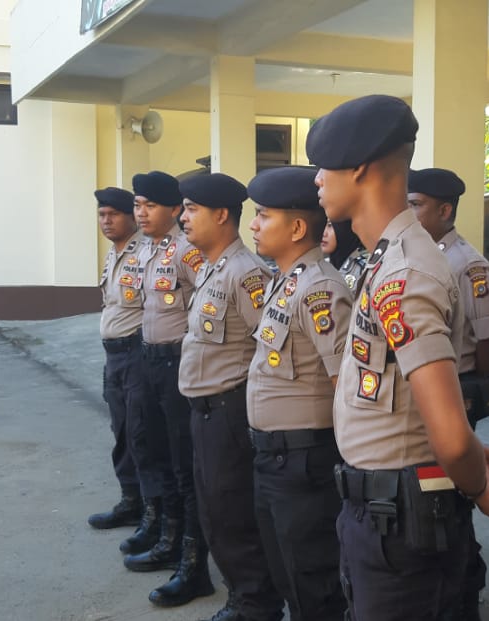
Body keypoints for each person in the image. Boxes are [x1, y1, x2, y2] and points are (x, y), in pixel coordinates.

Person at [308, 94, 489, 621]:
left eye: (324, 165)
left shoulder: (405, 272)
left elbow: (449, 434)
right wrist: (468, 453)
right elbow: (414, 404)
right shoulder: (385, 258)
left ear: (359, 167)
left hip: (400, 519)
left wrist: (476, 484)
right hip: (380, 508)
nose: (317, 180)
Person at [246, 166, 353, 621]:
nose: (253, 224)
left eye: (263, 215)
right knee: (287, 573)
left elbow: (344, 385)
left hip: (304, 461)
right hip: (274, 457)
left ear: (295, 228)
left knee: (314, 580)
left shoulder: (319, 289)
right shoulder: (286, 279)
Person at [176, 173, 281, 621]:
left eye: (192, 209)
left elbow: (268, 348)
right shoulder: (209, 267)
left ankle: (256, 605)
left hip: (229, 412)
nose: (183, 218)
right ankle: (241, 596)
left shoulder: (246, 273)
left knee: (234, 513)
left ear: (221, 215)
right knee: (214, 512)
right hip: (204, 411)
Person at [407, 167, 489, 620]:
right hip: (427, 390)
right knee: (431, 491)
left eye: (416, 205)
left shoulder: (467, 264)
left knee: (451, 492)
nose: (409, 213)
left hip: (456, 387)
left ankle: (465, 585)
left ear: (445, 210)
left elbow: (488, 343)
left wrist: (467, 387)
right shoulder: (417, 255)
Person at [122, 171, 212, 609]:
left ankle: (191, 560)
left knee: (183, 463)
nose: (141, 213)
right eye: (137, 205)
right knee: (151, 448)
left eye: (150, 205)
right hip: (149, 359)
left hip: (178, 363)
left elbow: (207, 301)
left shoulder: (186, 252)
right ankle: (167, 537)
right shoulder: (148, 249)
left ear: (174, 210)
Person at [87, 186, 148, 531]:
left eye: (113, 214)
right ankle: (130, 500)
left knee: (139, 431)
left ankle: (151, 508)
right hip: (114, 355)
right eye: (101, 215)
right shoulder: (114, 253)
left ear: (130, 217)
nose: (106, 221)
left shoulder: (146, 253)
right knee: (120, 429)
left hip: (136, 351)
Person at [321, 219, 366, 295]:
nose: (323, 233)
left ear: (344, 229)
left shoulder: (362, 270)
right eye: (322, 226)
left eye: (330, 225)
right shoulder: (322, 268)